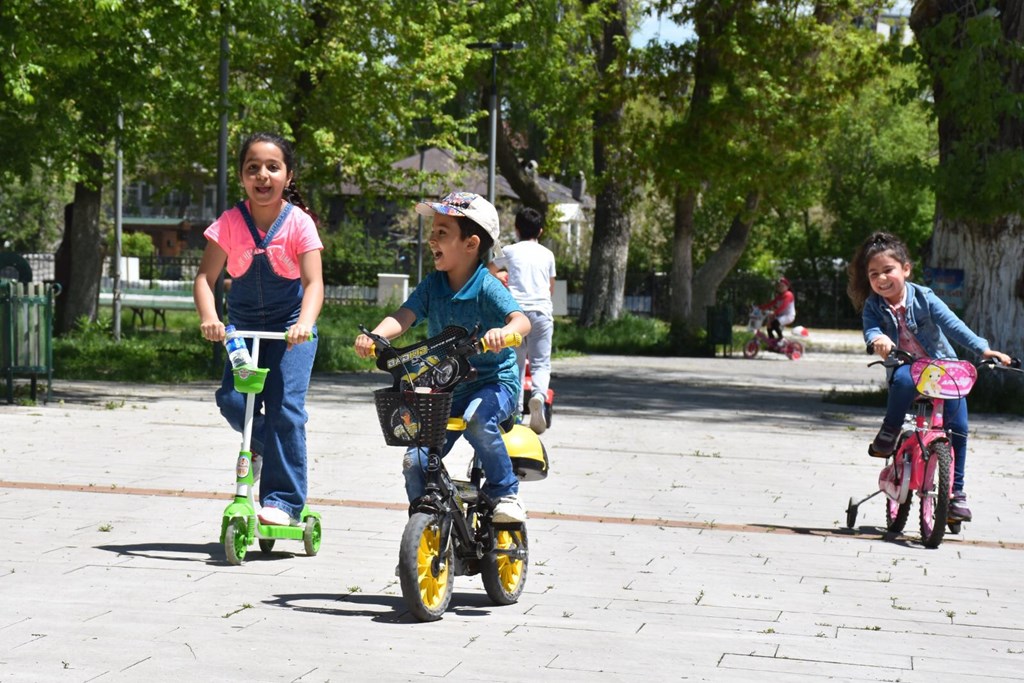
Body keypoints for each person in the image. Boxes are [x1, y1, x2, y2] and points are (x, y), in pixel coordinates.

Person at [354, 191, 532, 523]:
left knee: (479, 420)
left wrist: (505, 333)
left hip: (493, 384)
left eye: (442, 232)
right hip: (448, 385)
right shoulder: (433, 284)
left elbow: (521, 320)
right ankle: (426, 529)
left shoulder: (486, 286)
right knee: (415, 461)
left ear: (470, 243)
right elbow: (405, 315)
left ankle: (505, 492)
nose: (431, 238)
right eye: (433, 230)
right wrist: (376, 337)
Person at [193, 132, 324, 527]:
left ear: (288, 175)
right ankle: (273, 445)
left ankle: (283, 501)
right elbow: (204, 277)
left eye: (272, 167)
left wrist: (304, 323)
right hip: (242, 330)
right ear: (241, 176)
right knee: (234, 401)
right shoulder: (231, 223)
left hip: (290, 332)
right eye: (253, 168)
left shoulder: (299, 224)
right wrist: (210, 318)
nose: (263, 175)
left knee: (285, 407)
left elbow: (314, 284)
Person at [846, 231, 1011, 522]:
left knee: (958, 427)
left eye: (888, 270)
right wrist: (879, 340)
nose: (882, 278)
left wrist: (984, 350)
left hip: (942, 368)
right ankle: (889, 432)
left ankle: (956, 494)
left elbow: (955, 326)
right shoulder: (873, 306)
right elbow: (871, 331)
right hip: (906, 366)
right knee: (905, 380)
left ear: (906, 269)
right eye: (874, 274)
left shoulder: (925, 297)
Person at [488, 206, 556, 434]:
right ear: (541, 231)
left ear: (516, 229)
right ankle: (538, 396)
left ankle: (515, 413)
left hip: (515, 314)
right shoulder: (548, 254)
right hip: (542, 312)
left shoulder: (509, 250)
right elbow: (550, 287)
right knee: (541, 363)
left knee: (515, 363)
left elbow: (488, 271)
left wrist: (500, 275)